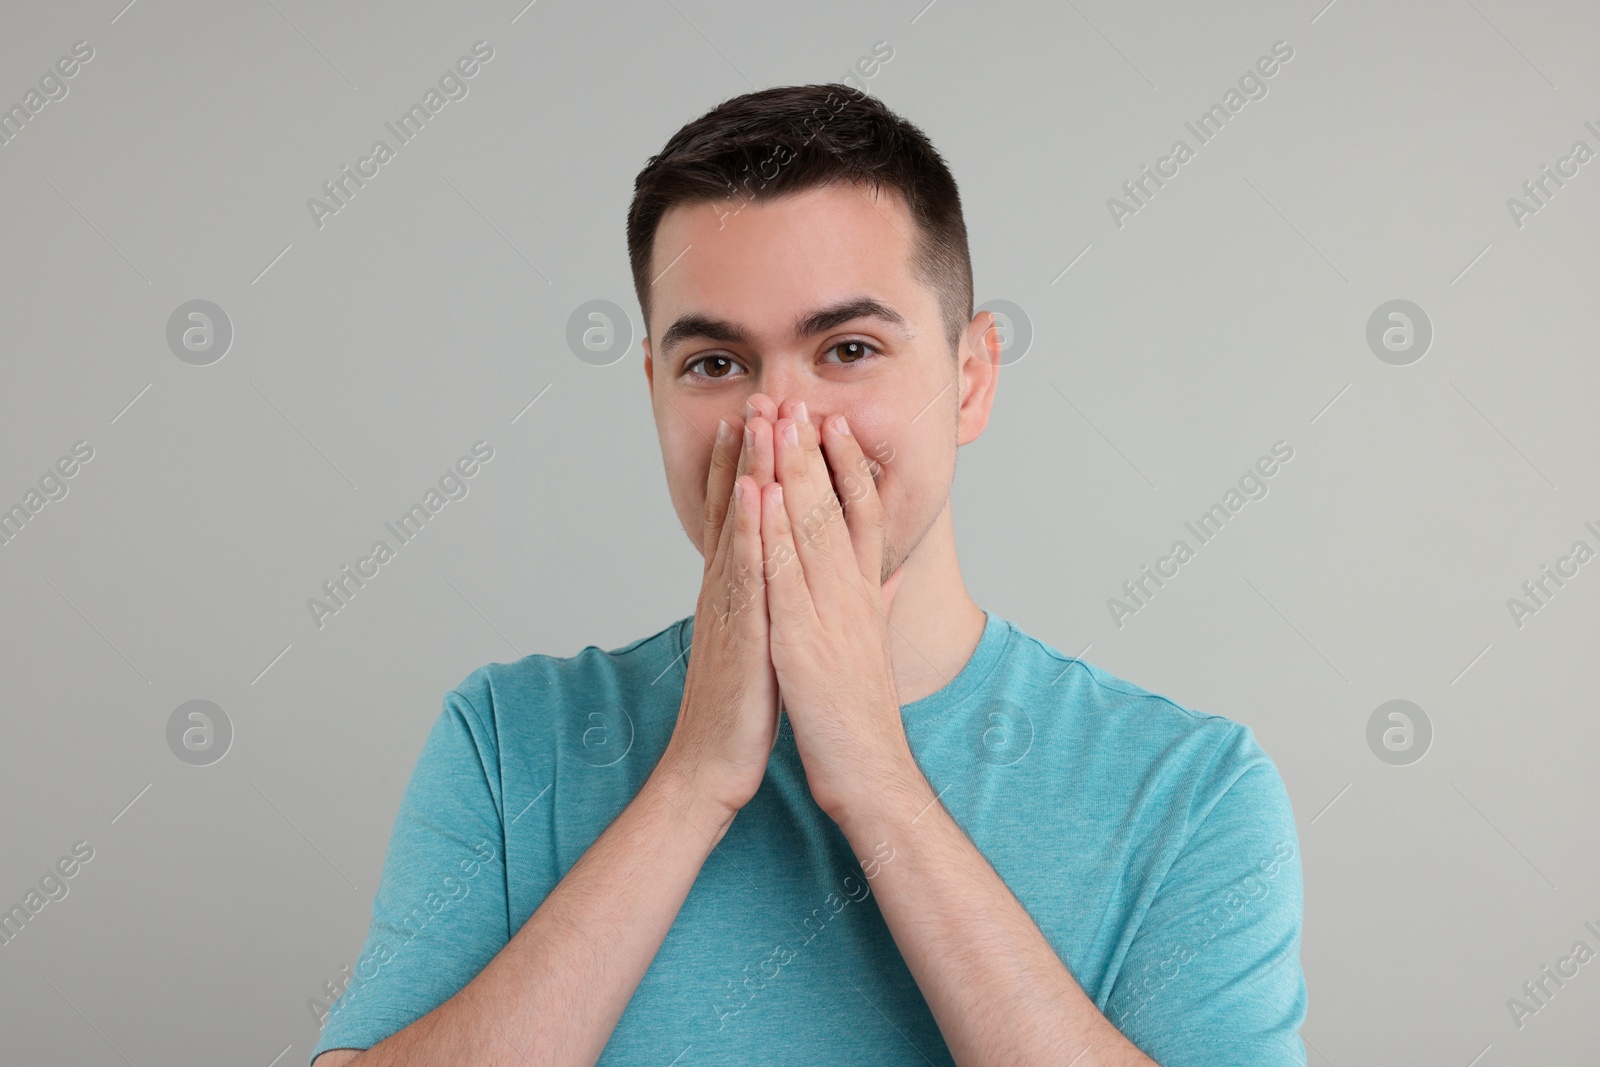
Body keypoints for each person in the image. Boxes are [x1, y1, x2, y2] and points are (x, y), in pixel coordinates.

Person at [310, 83, 1307, 1067]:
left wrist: (875, 778)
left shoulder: (1191, 789)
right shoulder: (506, 742)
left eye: (849, 348)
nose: (776, 420)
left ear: (970, 377)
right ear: (653, 389)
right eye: (714, 363)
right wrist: (692, 781)